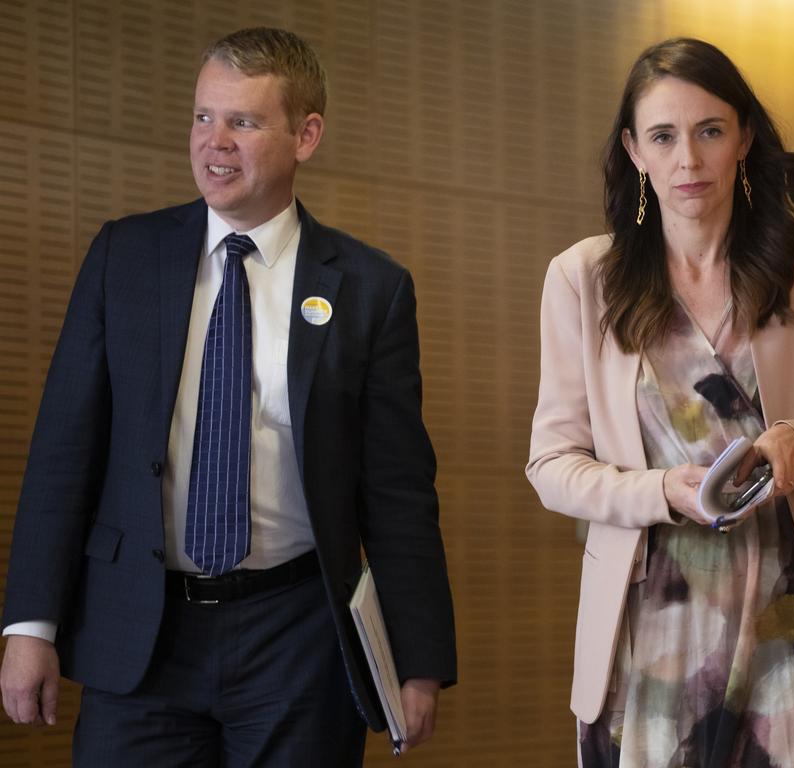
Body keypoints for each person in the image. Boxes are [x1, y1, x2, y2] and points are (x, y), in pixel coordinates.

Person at [0, 27, 456, 766]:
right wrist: (31, 626)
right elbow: (63, 451)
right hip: (142, 633)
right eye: (203, 117)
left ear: (306, 135)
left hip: (298, 638)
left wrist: (418, 657)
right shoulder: (125, 256)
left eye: (243, 122)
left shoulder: (372, 288)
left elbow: (399, 489)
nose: (215, 143)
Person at [526, 38, 794, 768]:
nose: (687, 160)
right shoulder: (582, 278)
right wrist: (659, 490)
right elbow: (551, 466)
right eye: (663, 135)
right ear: (634, 150)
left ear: (744, 138)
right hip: (656, 626)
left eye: (710, 131)